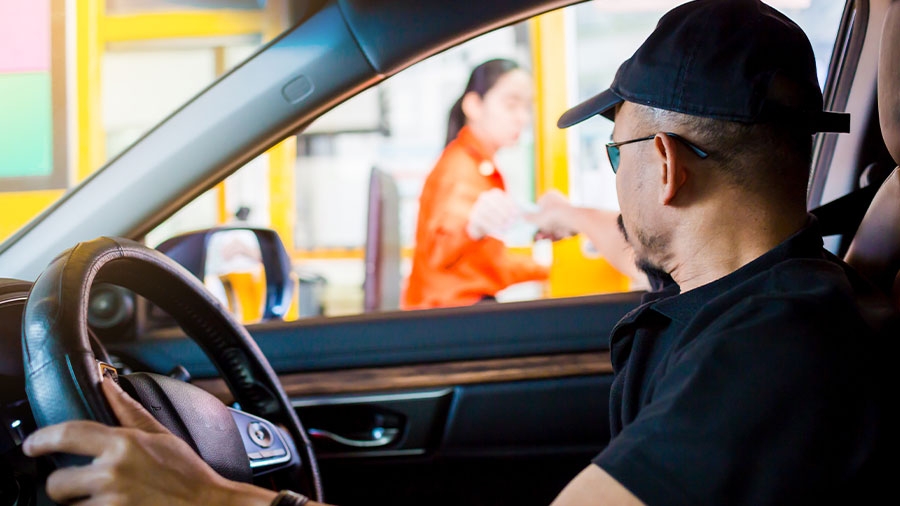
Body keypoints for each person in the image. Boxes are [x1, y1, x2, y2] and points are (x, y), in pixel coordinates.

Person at [23, 0, 893, 504]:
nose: (613, 178)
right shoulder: (749, 311)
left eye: (613, 150)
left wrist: (215, 499)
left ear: (661, 165)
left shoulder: (774, 353)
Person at [402, 58, 549, 309]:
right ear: (474, 105)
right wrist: (471, 229)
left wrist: (550, 268)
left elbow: (489, 265)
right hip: (451, 317)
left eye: (527, 107)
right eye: (511, 105)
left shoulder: (478, 166)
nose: (522, 118)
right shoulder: (461, 168)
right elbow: (440, 249)